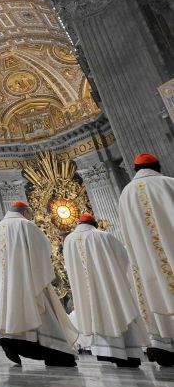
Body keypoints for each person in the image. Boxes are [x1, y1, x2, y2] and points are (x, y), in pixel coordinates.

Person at [0, 201, 78, 367]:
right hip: (28, 282)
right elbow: (44, 247)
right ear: (25, 212)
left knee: (12, 315)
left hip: (4, 286)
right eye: (30, 214)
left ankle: (8, 340)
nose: (31, 218)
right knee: (42, 317)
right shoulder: (25, 225)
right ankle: (56, 354)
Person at [64, 213, 149, 367]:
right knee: (117, 314)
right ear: (94, 223)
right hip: (110, 288)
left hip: (85, 293)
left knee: (95, 316)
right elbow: (124, 259)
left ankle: (106, 352)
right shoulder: (102, 236)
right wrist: (118, 280)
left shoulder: (68, 240)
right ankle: (126, 353)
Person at [118, 152, 174, 367]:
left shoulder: (126, 195)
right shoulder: (168, 183)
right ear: (158, 166)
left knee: (155, 293)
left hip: (145, 261)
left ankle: (164, 346)